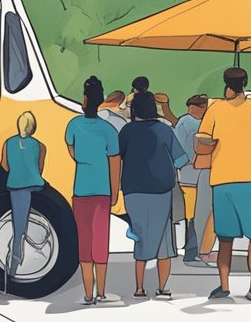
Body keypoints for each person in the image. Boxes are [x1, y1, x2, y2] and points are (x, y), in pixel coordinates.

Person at [197, 67, 251, 302]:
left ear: (226, 83)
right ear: (245, 82)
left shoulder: (214, 109)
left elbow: (203, 141)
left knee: (225, 238)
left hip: (222, 179)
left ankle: (224, 285)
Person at [118, 89, 187, 299]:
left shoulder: (127, 131)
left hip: (133, 190)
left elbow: (117, 157)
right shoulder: (164, 130)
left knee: (140, 237)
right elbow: (181, 160)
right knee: (164, 239)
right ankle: (163, 288)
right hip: (161, 189)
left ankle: (139, 288)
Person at [66, 76, 120, 305]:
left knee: (84, 242)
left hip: (81, 190)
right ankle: (102, 292)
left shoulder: (73, 125)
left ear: (85, 99)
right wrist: (115, 191)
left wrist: (82, 159)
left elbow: (71, 150)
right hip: (102, 192)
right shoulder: (108, 130)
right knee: (101, 241)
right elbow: (115, 162)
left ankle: (88, 293)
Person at [1, 111, 46, 280]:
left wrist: (17, 173)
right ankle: (16, 263)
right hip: (35, 185)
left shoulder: (8, 143)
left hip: (15, 185)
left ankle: (13, 266)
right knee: (21, 227)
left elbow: (4, 165)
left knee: (18, 229)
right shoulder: (40, 145)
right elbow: (40, 168)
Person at [174, 95, 209, 264]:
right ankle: (191, 251)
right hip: (189, 176)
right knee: (193, 216)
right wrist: (192, 160)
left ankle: (196, 250)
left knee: (197, 215)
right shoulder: (185, 123)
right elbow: (180, 147)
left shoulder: (201, 122)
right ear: (193, 107)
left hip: (200, 175)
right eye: (202, 106)